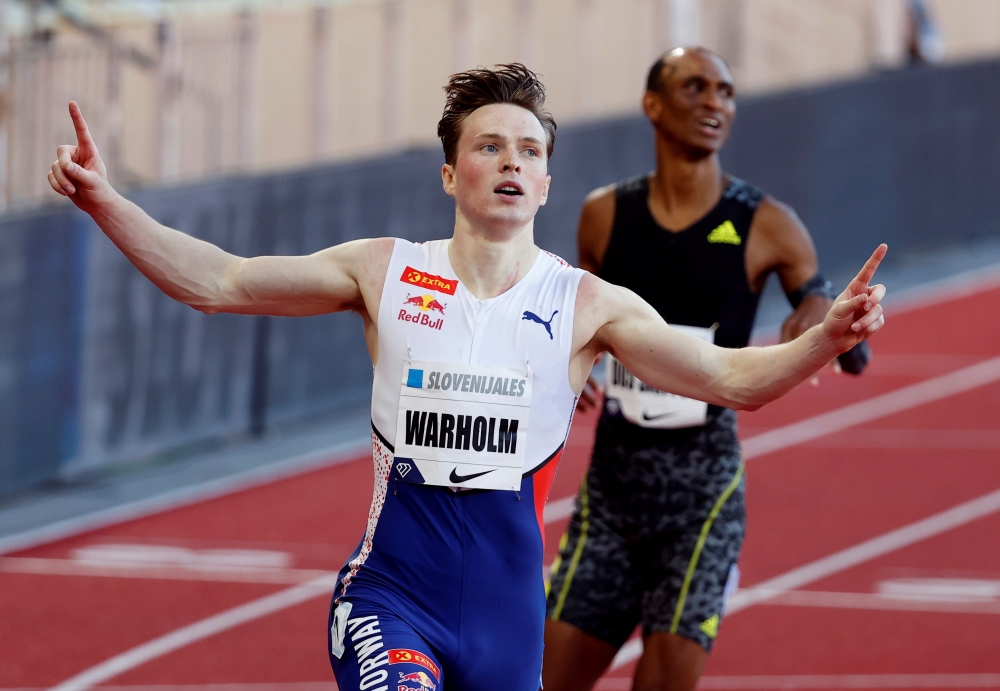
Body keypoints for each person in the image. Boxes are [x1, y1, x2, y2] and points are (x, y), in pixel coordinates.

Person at [48, 63, 885, 691]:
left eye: (528, 149)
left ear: (548, 180)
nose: (510, 161)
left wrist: (824, 337)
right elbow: (220, 281)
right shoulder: (385, 273)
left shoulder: (587, 304)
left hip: (507, 628)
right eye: (489, 145)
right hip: (389, 598)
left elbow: (731, 377)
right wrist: (108, 204)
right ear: (452, 174)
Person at [543, 47, 871, 691]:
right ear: (653, 105)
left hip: (702, 497)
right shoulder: (604, 215)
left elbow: (820, 303)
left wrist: (823, 325)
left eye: (725, 91)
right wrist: (568, 365)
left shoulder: (766, 224)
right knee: (541, 679)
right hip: (612, 491)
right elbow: (576, 316)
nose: (714, 102)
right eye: (694, 87)